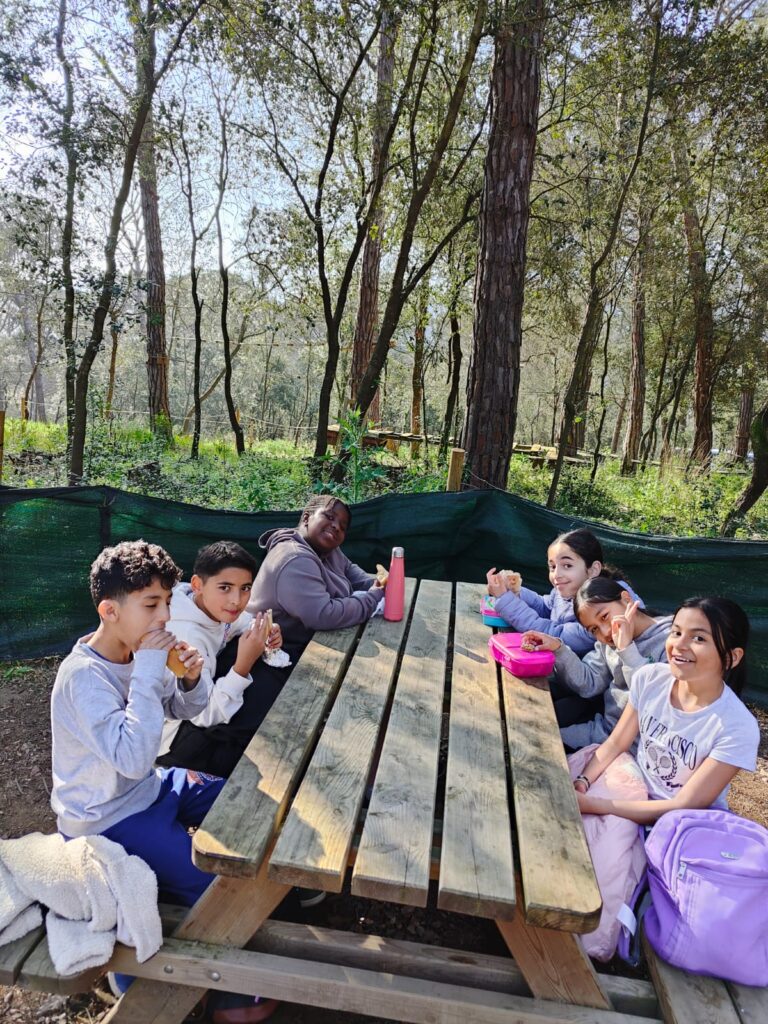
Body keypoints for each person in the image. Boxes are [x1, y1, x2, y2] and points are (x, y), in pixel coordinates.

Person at [50, 539, 277, 1024]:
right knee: (214, 887)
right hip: (108, 817)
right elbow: (132, 758)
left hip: (153, 786)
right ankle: (211, 993)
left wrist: (191, 679)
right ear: (109, 611)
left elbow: (185, 709)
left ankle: (190, 897)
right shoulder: (82, 678)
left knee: (246, 803)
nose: (165, 616)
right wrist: (153, 669)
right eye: (151, 604)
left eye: (168, 602)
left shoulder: (140, 651)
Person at [571, 596, 760, 822]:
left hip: (676, 823)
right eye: (676, 632)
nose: (679, 645)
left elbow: (684, 805)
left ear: (731, 657)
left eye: (698, 638)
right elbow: (616, 743)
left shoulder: (738, 727)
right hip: (630, 788)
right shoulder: (650, 678)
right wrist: (583, 781)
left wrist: (593, 805)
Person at [156, 540, 283, 777]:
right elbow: (202, 714)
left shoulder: (212, 607)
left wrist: (265, 632)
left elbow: (243, 622)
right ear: (198, 585)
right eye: (225, 587)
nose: (236, 599)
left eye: (245, 588)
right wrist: (242, 666)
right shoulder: (185, 636)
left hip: (200, 699)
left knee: (270, 684)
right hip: (173, 737)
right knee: (259, 716)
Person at [522, 576, 672, 749]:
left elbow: (655, 705)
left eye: (605, 616)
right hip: (604, 732)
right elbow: (589, 683)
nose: (605, 632)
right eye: (594, 629)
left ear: (626, 599)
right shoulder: (608, 643)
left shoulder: (671, 642)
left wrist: (627, 650)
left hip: (637, 748)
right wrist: (558, 648)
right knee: (533, 738)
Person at [247, 495, 385, 656]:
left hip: (314, 641)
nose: (336, 526)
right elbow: (323, 614)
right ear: (307, 518)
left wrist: (379, 584)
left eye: (343, 527)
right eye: (330, 517)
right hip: (277, 653)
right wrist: (372, 599)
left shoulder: (327, 550)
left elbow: (351, 571)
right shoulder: (294, 559)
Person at [485, 528, 638, 657]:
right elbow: (545, 606)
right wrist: (515, 592)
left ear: (593, 570)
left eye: (567, 565)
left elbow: (555, 635)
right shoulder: (567, 590)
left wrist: (505, 598)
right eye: (552, 567)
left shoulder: (602, 610)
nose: (556, 575)